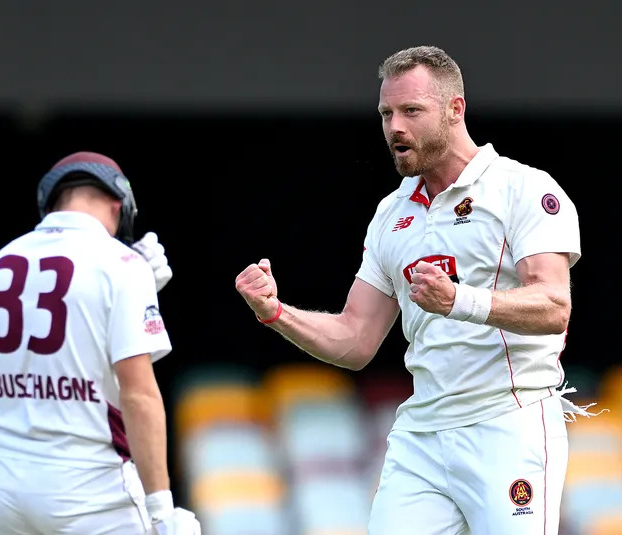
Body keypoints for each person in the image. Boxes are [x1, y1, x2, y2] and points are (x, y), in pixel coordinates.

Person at [235, 45, 590, 534]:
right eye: (386, 113)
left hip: (509, 423)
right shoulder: (391, 214)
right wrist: (276, 313)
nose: (394, 127)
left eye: (411, 111)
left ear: (455, 109)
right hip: (422, 434)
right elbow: (355, 339)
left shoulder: (523, 189)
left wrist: (458, 301)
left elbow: (554, 306)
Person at [0, 151, 200, 534]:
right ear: (119, 206)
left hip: (0, 488)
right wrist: (163, 510)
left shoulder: (1, 260)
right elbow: (138, 396)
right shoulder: (122, 264)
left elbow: (52, 358)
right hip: (86, 491)